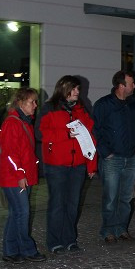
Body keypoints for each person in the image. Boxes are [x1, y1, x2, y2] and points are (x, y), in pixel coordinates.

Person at [36, 76, 97, 253]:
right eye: (75, 89)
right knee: (57, 204)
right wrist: (64, 134)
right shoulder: (49, 108)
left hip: (77, 165)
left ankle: (69, 239)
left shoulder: (81, 109)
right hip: (56, 165)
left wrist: (91, 165)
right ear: (64, 89)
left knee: (72, 204)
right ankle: (54, 241)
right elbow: (40, 133)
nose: (78, 92)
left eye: (78, 89)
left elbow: (90, 137)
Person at [93, 71, 135, 243]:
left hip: (131, 158)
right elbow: (97, 130)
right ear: (121, 86)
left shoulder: (134, 104)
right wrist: (106, 152)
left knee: (126, 197)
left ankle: (121, 228)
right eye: (131, 83)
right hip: (112, 159)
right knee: (110, 197)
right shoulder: (103, 105)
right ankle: (108, 230)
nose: (134, 86)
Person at [0, 87, 46, 263]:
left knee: (16, 213)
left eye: (35, 101)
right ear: (20, 102)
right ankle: (27, 249)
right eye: (32, 101)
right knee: (22, 213)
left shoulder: (24, 122)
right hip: (14, 178)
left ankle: (10, 251)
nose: (35, 105)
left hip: (20, 177)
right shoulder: (13, 123)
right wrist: (20, 174)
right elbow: (10, 153)